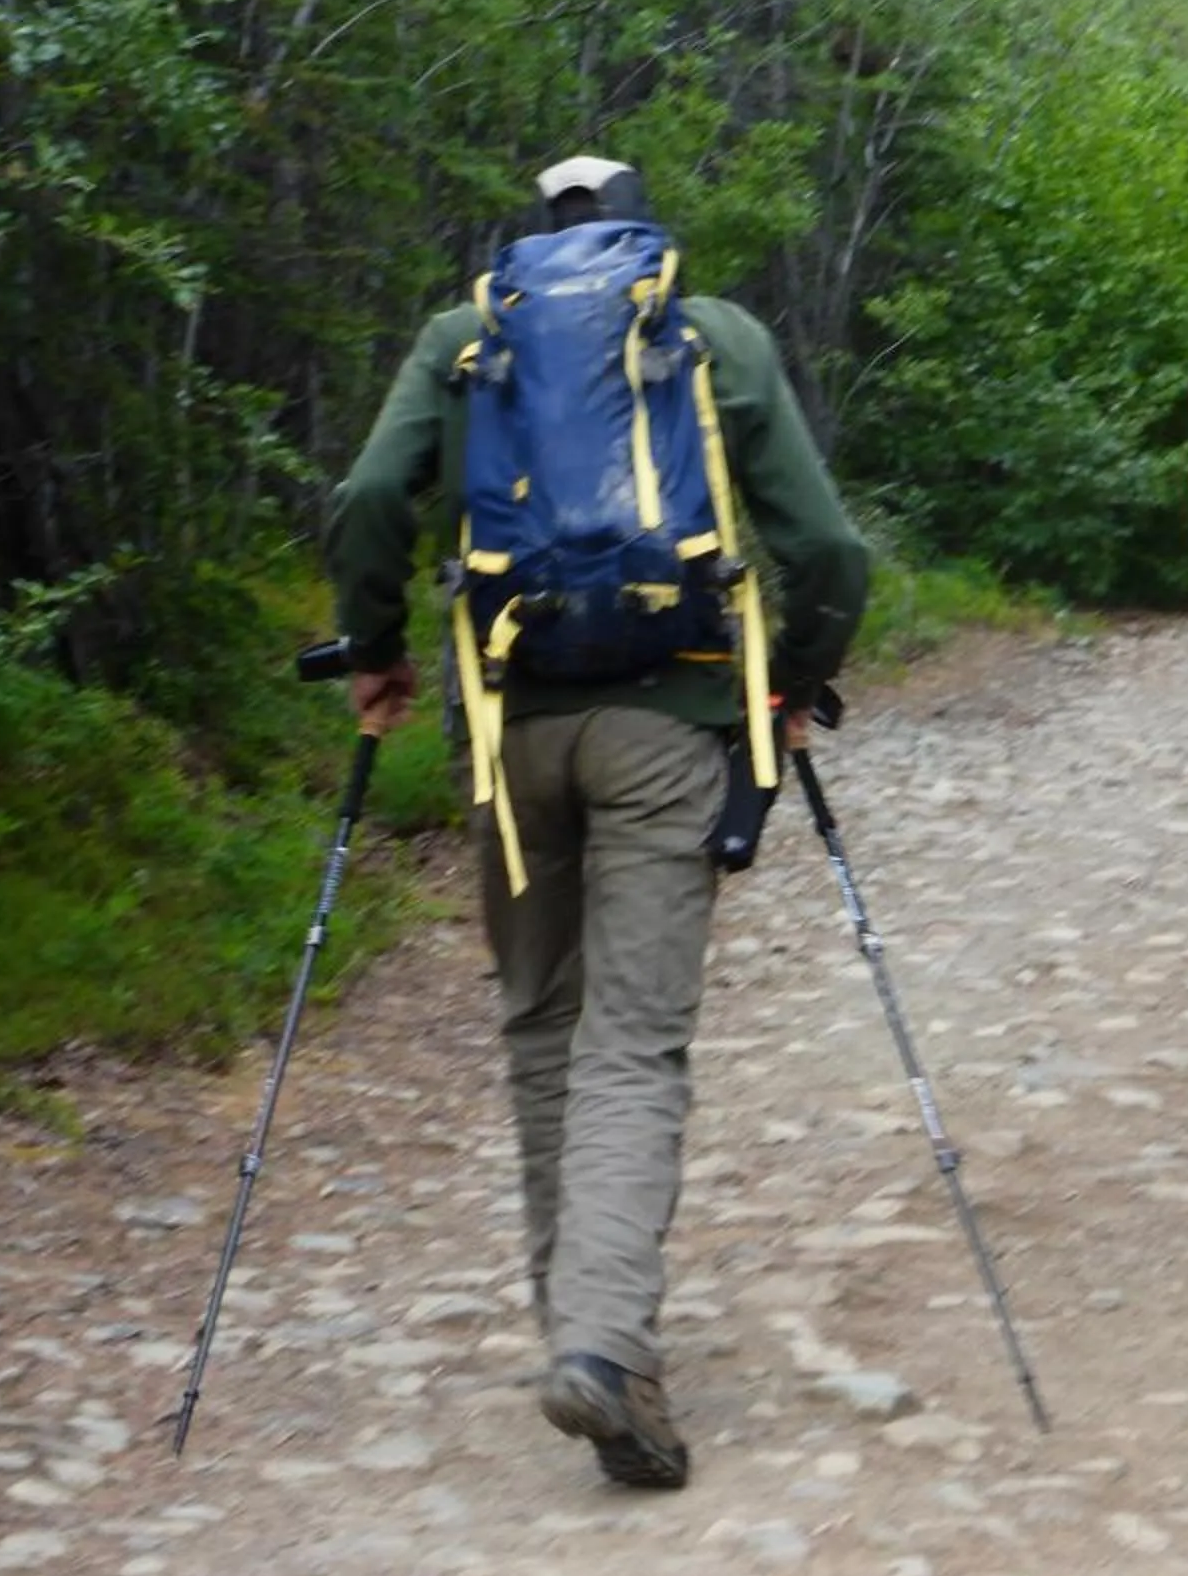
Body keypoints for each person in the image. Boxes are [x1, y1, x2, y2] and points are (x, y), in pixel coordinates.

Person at [326, 153, 871, 1486]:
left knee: (541, 1024)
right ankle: (606, 1344)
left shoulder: (468, 336)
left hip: (507, 729)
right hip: (670, 730)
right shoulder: (707, 333)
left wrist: (375, 648)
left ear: (538, 234)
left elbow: (363, 502)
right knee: (633, 1041)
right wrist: (796, 675)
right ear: (641, 231)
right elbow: (831, 550)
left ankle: (582, 1326)